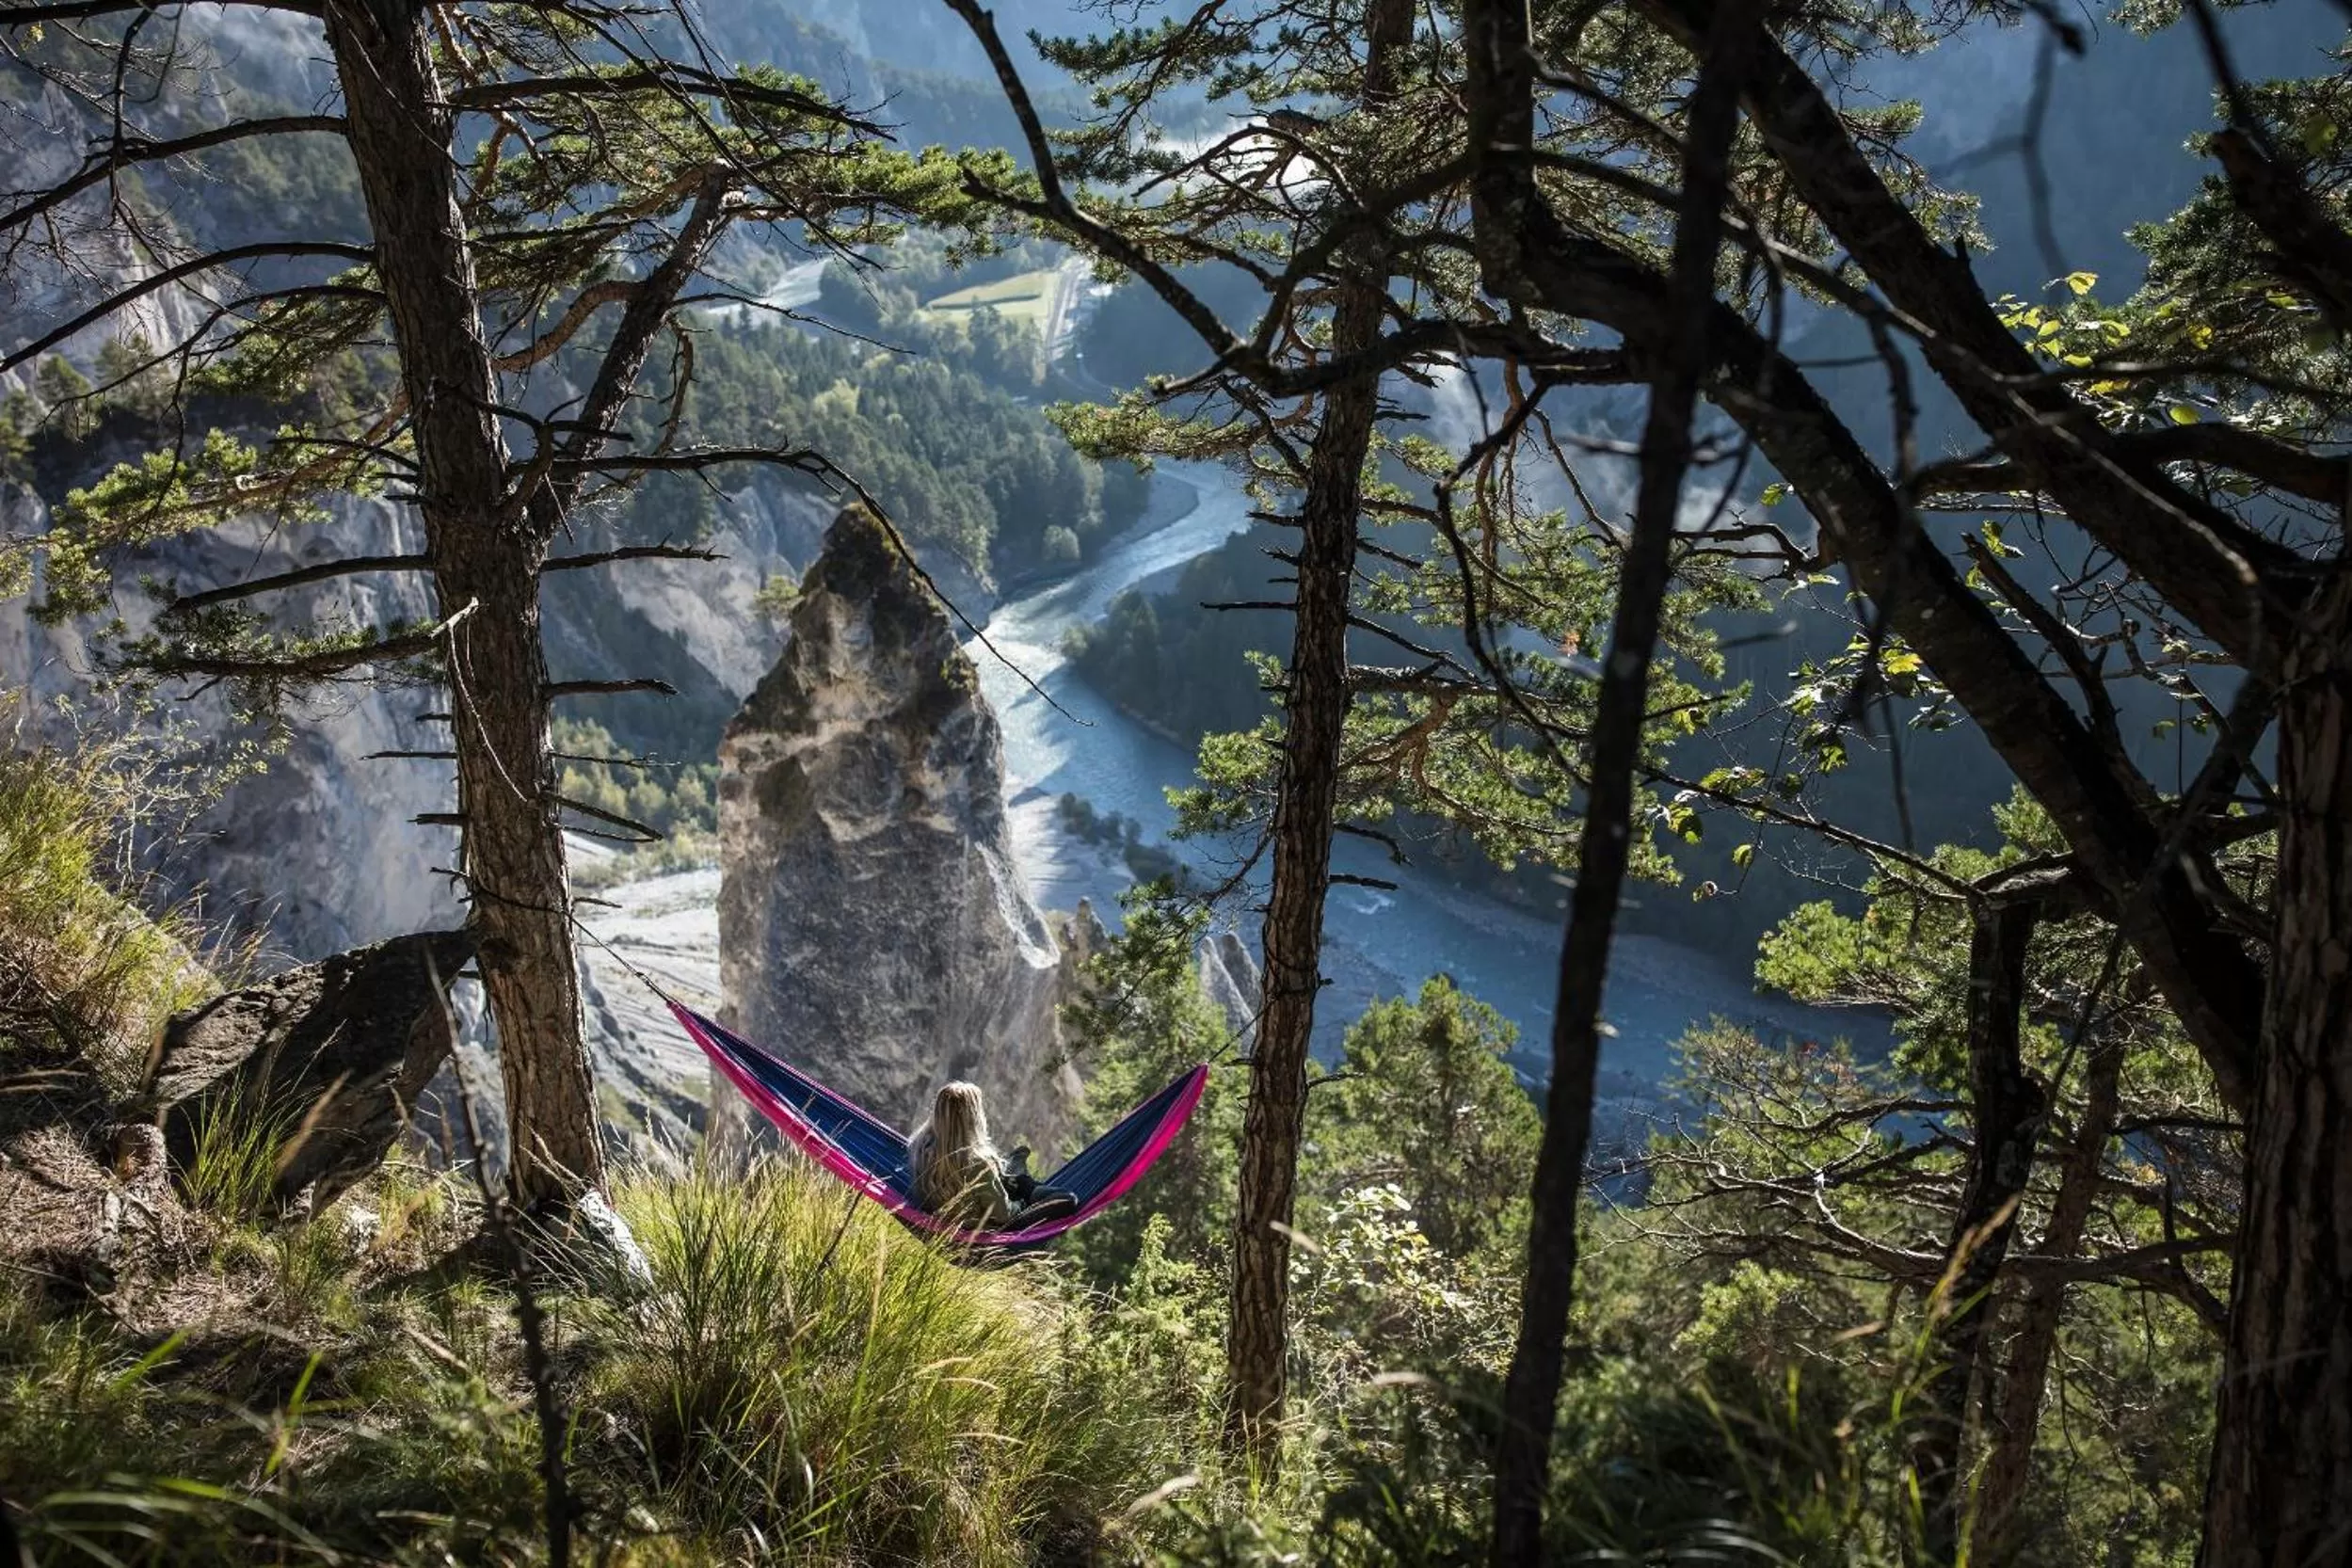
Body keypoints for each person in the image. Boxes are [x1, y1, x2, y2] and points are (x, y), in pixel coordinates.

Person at [908, 1081, 1078, 1230]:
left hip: (960, 1213)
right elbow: (1004, 1214)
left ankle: (1013, 1173)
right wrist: (1024, 1202)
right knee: (1068, 1200)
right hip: (990, 1229)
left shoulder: (919, 1148)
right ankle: (1021, 1179)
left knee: (1009, 1177)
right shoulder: (975, 1162)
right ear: (972, 1117)